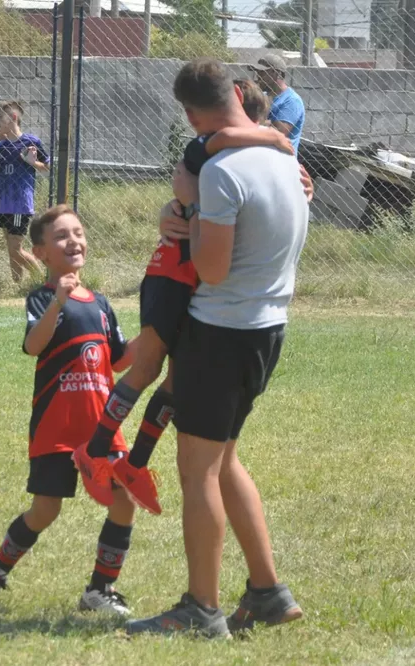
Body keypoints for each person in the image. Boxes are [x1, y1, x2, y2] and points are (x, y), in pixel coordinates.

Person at [125, 58, 308, 638]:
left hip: (221, 333)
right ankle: (268, 592)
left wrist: (194, 204)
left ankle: (200, 609)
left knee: (198, 469)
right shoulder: (284, 157)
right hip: (265, 330)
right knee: (225, 459)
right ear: (237, 93)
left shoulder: (221, 173)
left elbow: (212, 268)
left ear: (188, 112)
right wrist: (184, 208)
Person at [74, 80, 296, 517]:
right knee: (148, 366)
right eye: (259, 124)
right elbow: (227, 141)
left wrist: (283, 155)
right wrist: (275, 137)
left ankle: (133, 465)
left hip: (195, 284)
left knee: (177, 384)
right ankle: (94, 450)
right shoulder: (209, 149)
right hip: (169, 275)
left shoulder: (244, 162)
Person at [0, 204, 139, 616]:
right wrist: (57, 303)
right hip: (56, 428)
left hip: (100, 427)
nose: (73, 240)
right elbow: (33, 345)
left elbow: (118, 359)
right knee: (46, 509)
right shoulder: (42, 298)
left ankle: (99, 589)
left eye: (78, 232)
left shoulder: (100, 303)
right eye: (61, 236)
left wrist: (155, 338)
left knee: (124, 499)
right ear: (40, 253)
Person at [0, 101, 46, 283]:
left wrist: (32, 162)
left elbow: (47, 166)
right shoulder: (0, 148)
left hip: (20, 203)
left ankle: (43, 282)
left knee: (16, 249)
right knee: (10, 249)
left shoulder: (31, 142)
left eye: (0, 117)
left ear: (13, 118)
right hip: (3, 203)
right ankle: (16, 285)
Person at [251, 54, 306, 154]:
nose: (257, 77)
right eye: (257, 72)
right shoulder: (262, 96)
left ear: (277, 73)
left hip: (281, 163)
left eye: (262, 73)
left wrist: (250, 123)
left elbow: (277, 133)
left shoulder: (291, 100)